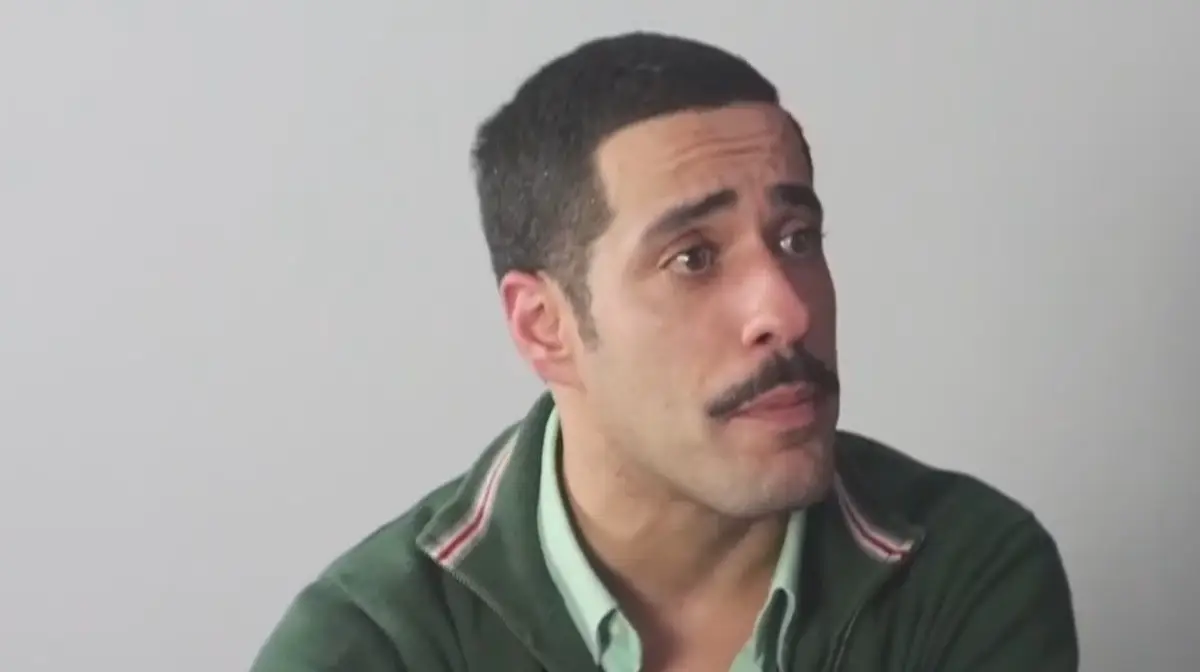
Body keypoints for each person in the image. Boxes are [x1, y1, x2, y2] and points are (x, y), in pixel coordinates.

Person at [249, 31, 1079, 672]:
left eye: (797, 238)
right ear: (544, 325)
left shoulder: (964, 571)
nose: (787, 312)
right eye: (694, 258)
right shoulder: (373, 646)